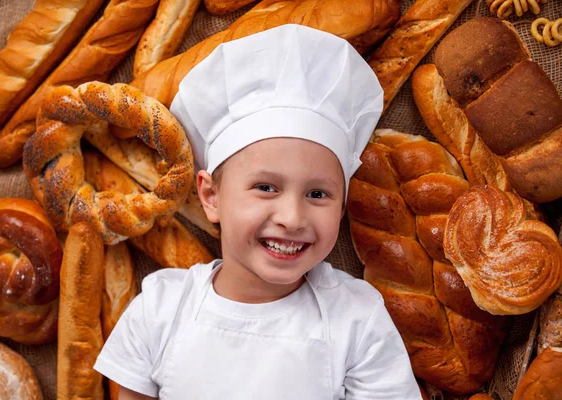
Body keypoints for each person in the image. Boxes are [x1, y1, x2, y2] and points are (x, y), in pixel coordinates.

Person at [94, 24, 422, 400]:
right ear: (211, 196)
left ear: (343, 205)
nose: (293, 217)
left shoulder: (356, 319)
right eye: (266, 188)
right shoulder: (160, 308)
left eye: (317, 194)